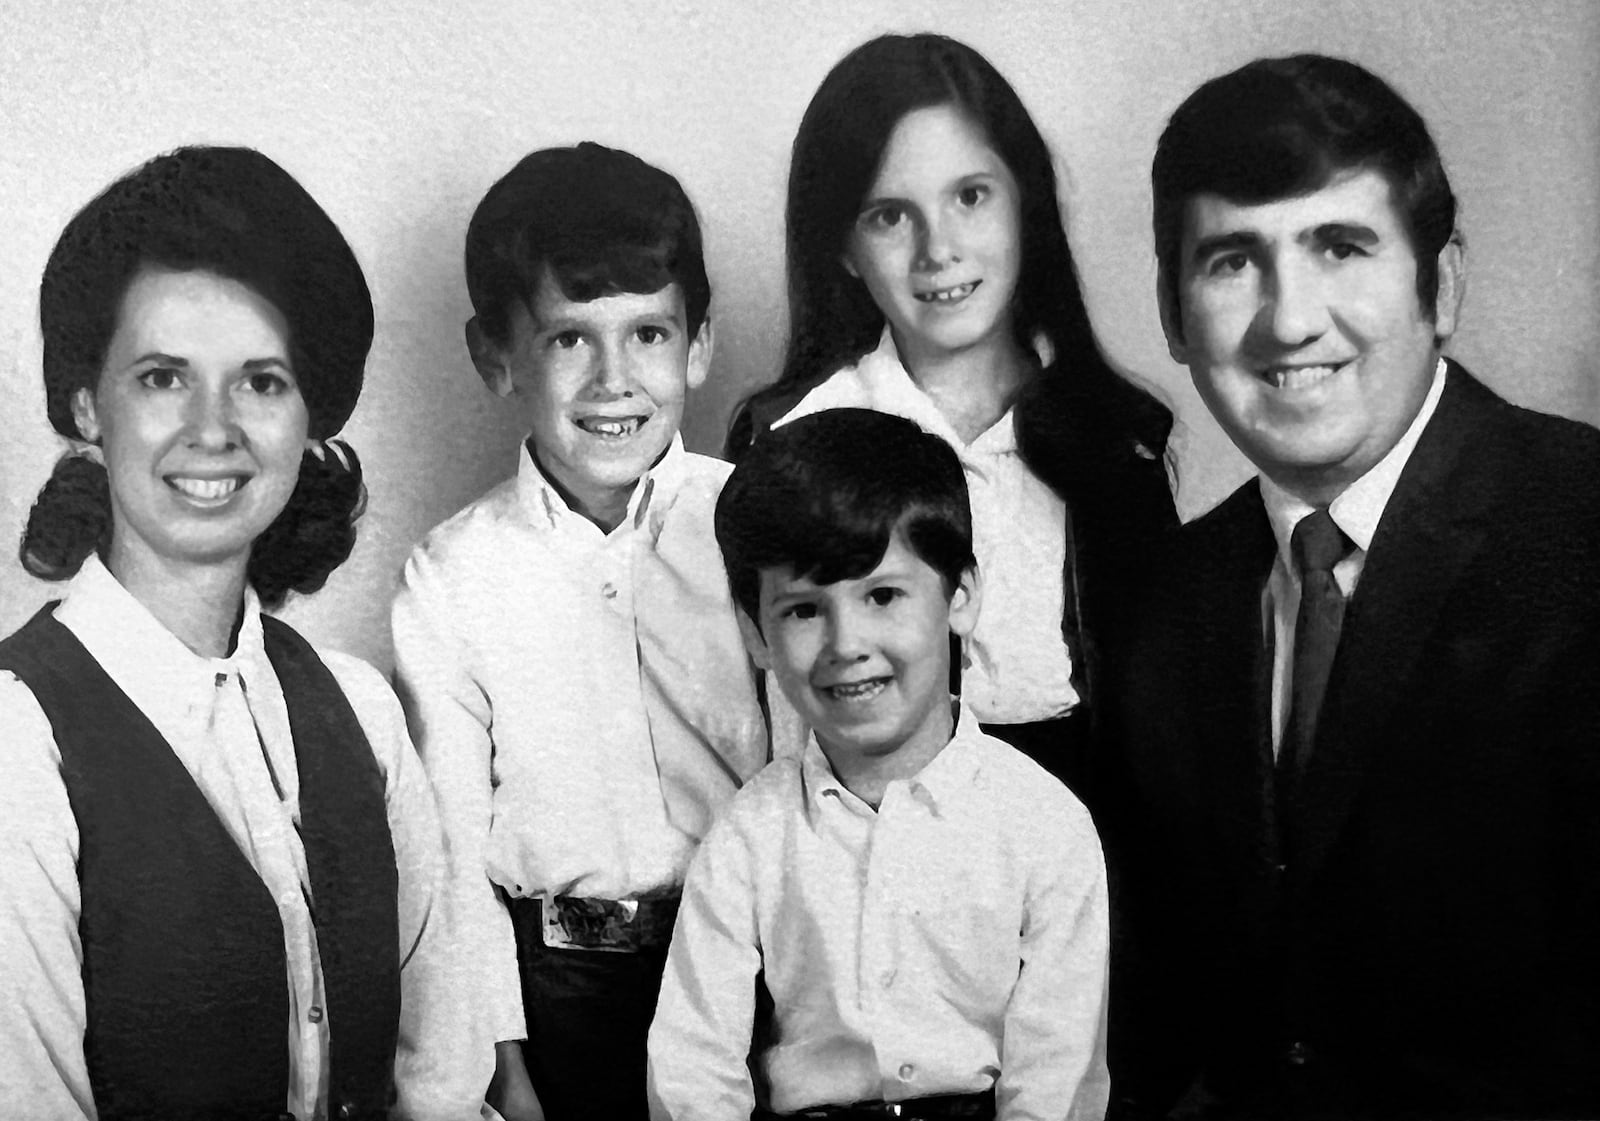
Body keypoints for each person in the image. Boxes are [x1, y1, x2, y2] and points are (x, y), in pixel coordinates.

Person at [1102, 54, 1600, 1120]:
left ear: (1442, 284)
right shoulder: (1171, 600)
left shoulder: (1582, 526)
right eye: (1234, 260)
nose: (1289, 321)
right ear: (1173, 316)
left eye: (1339, 246)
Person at [0, 146, 470, 1121]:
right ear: (88, 402)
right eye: (164, 375)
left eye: (260, 381)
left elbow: (443, 1077)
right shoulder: (18, 737)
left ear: (309, 417)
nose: (213, 428)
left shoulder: (362, 710)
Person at [392, 142, 790, 1121]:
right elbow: (448, 854)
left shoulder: (759, 527)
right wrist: (503, 1061)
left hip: (740, 967)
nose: (616, 379)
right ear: (497, 356)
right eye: (570, 338)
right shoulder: (452, 577)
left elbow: (806, 784)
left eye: (649, 332)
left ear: (698, 343)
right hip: (553, 989)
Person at [727, 33, 1176, 796]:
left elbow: (1157, 740)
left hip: (1080, 858)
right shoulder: (793, 432)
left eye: (971, 196)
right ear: (841, 245)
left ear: (1023, 207)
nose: (939, 249)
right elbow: (769, 724)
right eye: (889, 216)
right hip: (856, 846)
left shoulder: (1116, 441)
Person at [649, 408, 1111, 1121]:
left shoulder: (1044, 826)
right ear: (755, 633)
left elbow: (1057, 1081)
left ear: (960, 595)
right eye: (804, 610)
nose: (846, 643)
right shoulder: (749, 837)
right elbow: (693, 1070)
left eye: (884, 595)